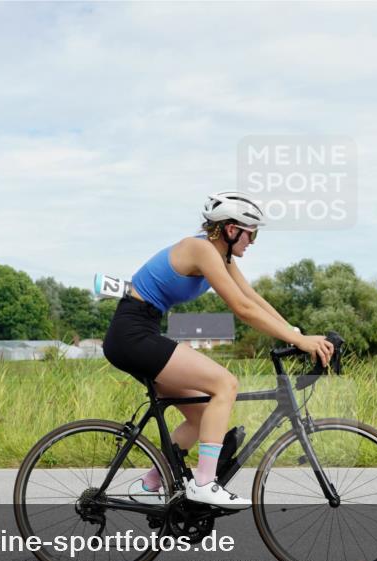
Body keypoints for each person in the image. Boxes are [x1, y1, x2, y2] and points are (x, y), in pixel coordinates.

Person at [102, 191, 335, 509]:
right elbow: (242, 309)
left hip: (143, 330)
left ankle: (150, 482)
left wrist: (297, 334)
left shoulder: (219, 256)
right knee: (225, 383)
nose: (253, 240)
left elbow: (252, 298)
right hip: (132, 333)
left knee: (201, 419)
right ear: (231, 229)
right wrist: (299, 342)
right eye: (251, 232)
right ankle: (204, 484)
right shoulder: (200, 249)